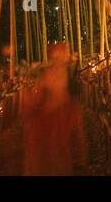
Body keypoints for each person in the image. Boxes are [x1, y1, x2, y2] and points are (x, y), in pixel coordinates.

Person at [22, 42, 86, 175]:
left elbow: (80, 151)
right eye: (53, 65)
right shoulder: (36, 107)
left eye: (61, 66)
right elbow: (26, 115)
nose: (56, 72)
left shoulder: (72, 110)